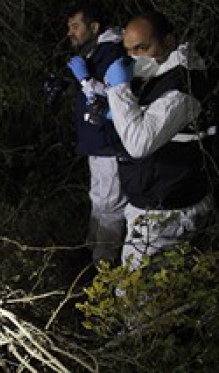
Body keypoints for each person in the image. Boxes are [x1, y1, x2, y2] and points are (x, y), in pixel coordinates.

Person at [105, 11, 215, 270]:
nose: (135, 57)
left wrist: (118, 91)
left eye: (143, 48)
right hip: (157, 201)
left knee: (139, 300)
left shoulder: (183, 84)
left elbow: (139, 143)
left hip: (167, 212)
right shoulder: (163, 76)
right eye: (129, 51)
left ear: (168, 42)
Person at [65, 3, 127, 266]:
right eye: (69, 27)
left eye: (75, 26)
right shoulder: (94, 52)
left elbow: (117, 97)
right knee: (99, 198)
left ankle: (104, 265)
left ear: (95, 27)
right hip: (96, 142)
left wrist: (84, 79)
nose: (70, 32)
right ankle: (91, 252)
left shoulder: (112, 52)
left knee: (111, 205)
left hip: (110, 142)